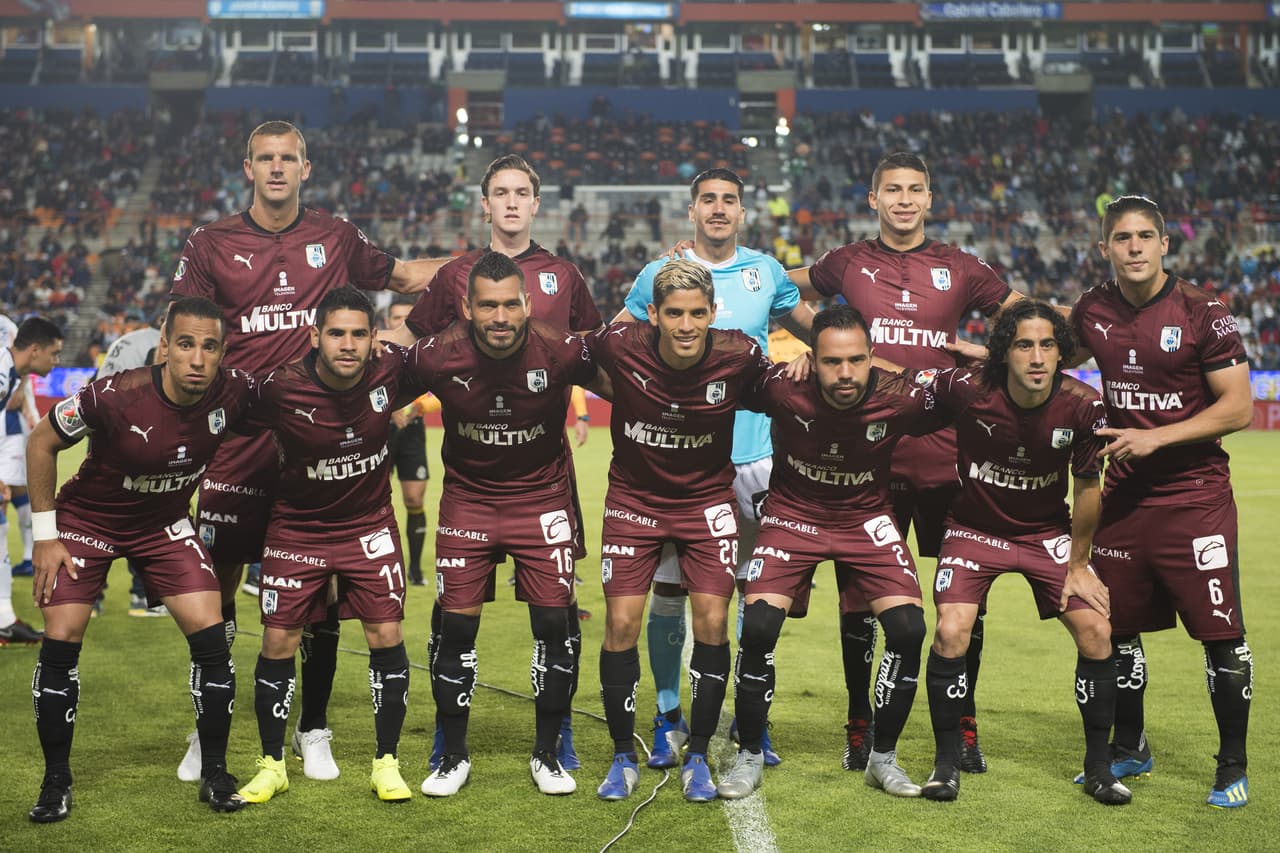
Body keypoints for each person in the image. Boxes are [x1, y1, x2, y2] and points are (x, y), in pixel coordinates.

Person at [168, 119, 442, 784]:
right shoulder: (211, 244)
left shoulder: (336, 236)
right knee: (217, 591)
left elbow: (406, 276)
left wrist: (494, 261)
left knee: (321, 590)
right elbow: (181, 336)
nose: (277, 168)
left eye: (288, 157)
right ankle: (208, 729)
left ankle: (312, 728)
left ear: (306, 167)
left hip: (322, 438)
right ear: (248, 167)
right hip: (238, 443)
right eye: (265, 157)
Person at [788, 151, 1022, 772]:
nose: (903, 199)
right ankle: (859, 724)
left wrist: (987, 354)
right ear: (873, 198)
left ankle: (963, 725)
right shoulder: (847, 262)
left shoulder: (962, 267)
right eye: (892, 189)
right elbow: (783, 288)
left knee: (962, 605)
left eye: (915, 189)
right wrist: (816, 339)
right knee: (861, 603)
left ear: (929, 198)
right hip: (872, 464)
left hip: (950, 461)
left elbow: (1030, 322)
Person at [385, 153, 602, 773]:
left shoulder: (564, 275)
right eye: (499, 193)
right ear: (484, 204)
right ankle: (446, 738)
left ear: (537, 203)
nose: (510, 202)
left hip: (546, 477)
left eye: (521, 193)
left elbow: (594, 354)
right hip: (470, 477)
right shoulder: (454, 275)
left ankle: (555, 736)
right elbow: (411, 348)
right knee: (455, 612)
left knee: (556, 611)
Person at [25, 298, 253, 822]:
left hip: (163, 525)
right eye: (187, 344)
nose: (198, 358)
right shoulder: (113, 395)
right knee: (62, 638)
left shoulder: (234, 392)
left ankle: (215, 773)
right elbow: (41, 442)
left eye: (210, 346)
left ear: (222, 352)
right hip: (87, 523)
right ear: (165, 347)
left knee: (212, 637)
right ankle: (56, 780)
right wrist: (44, 536)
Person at [614, 167, 811, 768]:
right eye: (708, 200)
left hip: (756, 460)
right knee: (671, 592)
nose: (719, 209)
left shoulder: (767, 273)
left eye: (729, 200)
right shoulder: (657, 275)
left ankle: (753, 717)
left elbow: (819, 333)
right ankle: (669, 711)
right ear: (692, 210)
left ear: (743, 212)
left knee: (757, 594)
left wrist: (808, 355)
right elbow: (614, 348)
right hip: (680, 468)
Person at [1069, 195, 1254, 808]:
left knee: (1220, 634)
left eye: (1146, 235)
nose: (1135, 247)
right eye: (1122, 238)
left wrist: (1156, 437)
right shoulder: (1092, 309)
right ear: (1105, 248)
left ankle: (1232, 767)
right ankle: (1130, 746)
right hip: (1121, 497)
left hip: (1194, 495)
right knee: (1115, 629)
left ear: (1165, 243)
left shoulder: (1205, 312)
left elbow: (1238, 408)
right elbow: (1044, 358)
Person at [721, 305, 944, 801]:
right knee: (758, 628)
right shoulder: (781, 386)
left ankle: (882, 759)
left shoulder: (900, 397)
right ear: (811, 358)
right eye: (831, 362)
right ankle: (750, 754)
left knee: (909, 630)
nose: (845, 373)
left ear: (872, 358)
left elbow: (968, 398)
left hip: (865, 519)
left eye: (856, 360)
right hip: (793, 516)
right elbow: (716, 366)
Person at [916, 300, 1129, 805]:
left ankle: (1099, 768)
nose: (1036, 357)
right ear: (1003, 354)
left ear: (1062, 354)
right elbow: (899, 385)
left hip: (1044, 534)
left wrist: (1079, 565)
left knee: (1097, 629)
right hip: (972, 530)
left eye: (1048, 345)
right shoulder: (967, 388)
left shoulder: (1083, 404)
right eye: (1024, 345)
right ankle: (947, 763)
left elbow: (1087, 488)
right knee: (950, 631)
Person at [416, 252, 600, 797]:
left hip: (541, 501)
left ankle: (547, 754)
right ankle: (451, 755)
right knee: (457, 629)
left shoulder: (562, 349)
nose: (500, 317)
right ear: (468, 309)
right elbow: (374, 392)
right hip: (468, 503)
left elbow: (634, 379)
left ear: (526, 304)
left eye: (509, 305)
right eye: (487, 306)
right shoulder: (436, 356)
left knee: (553, 627)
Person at [589, 259, 772, 803]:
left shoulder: (739, 353)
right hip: (633, 501)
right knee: (621, 621)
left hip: (705, 503)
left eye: (697, 313)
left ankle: (697, 755)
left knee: (714, 619)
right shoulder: (620, 345)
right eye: (674, 313)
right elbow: (558, 354)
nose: (687, 325)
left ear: (714, 313)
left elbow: (789, 393)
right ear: (653, 314)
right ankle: (624, 754)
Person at [235, 287, 422, 805]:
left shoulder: (392, 373)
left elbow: (452, 339)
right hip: (297, 530)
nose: (347, 344)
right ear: (314, 336)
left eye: (359, 334)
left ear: (374, 338)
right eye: (336, 333)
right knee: (278, 643)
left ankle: (386, 762)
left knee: (387, 633)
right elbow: (220, 419)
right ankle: (272, 763)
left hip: (369, 526)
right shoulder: (279, 388)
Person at [91, 314, 168, 616]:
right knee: (133, 518)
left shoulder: (131, 343)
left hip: (115, 433)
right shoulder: (148, 346)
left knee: (112, 518)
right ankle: (137, 594)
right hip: (123, 435)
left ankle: (99, 597)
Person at [0, 317, 63, 647]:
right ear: (35, 350)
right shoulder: (3, 370)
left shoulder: (11, 372)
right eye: (54, 354)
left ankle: (4, 620)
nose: (56, 362)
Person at [384, 297, 430, 586]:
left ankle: (414, 568)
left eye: (405, 317)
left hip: (414, 431)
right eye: (395, 317)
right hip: (380, 433)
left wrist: (417, 408)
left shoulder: (425, 353)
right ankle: (378, 565)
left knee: (414, 498)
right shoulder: (375, 352)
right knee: (374, 500)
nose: (400, 322)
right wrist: (391, 410)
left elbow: (443, 388)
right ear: (387, 322)